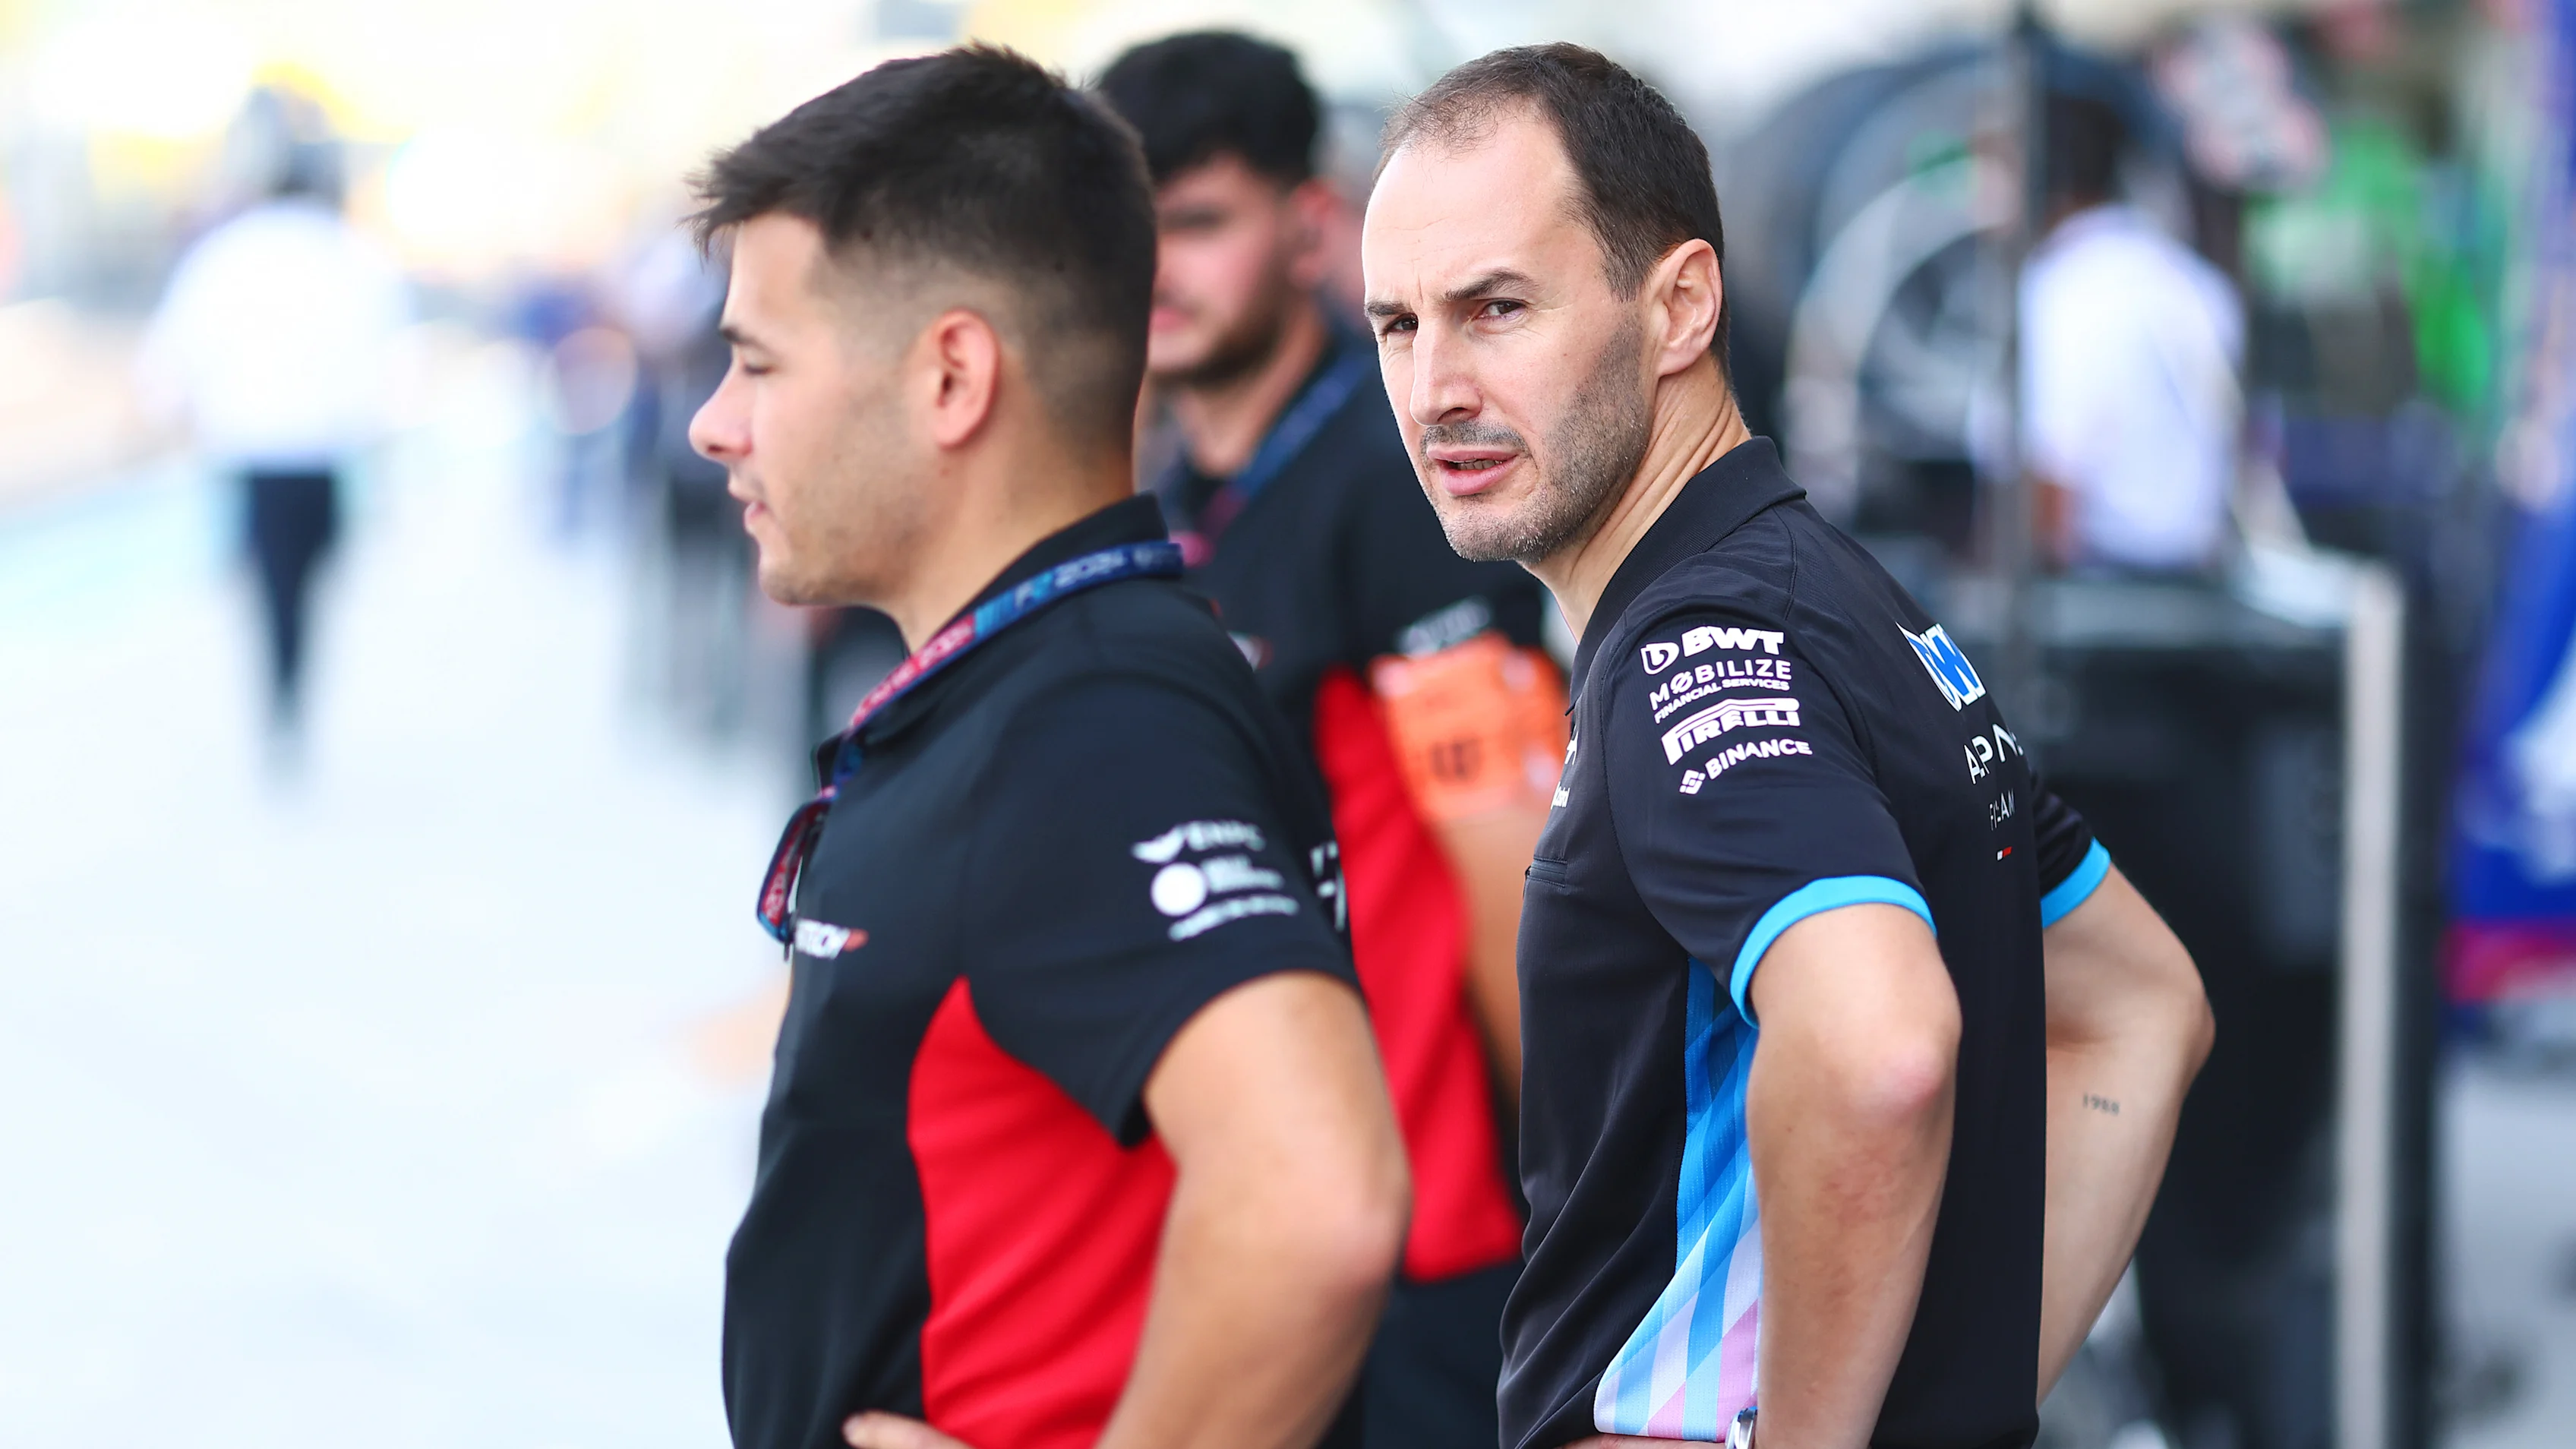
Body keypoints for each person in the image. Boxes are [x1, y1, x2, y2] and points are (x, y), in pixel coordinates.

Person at [1359, 45, 2215, 1449]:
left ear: (1681, 303)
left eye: (1495, 308)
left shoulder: (1692, 644)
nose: (1434, 385)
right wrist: (1951, 1401)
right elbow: (2141, 1001)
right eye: (1396, 326)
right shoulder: (1829, 590)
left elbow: (1879, 1043)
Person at [687, 45, 1410, 1449]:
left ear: (952, 375)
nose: (716, 424)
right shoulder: (1046, 683)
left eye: (757, 361)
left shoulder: (1092, 720)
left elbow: (1317, 1195)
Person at [1097, 33, 1560, 1449]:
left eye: (1199, 224)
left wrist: (1580, 1188)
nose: (1159, 271)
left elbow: (1510, 856)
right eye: (1133, 231)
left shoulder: (1393, 479)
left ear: (1310, 230)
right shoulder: (1178, 482)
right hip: (1272, 1198)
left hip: (1436, 1228)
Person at [139, 109, 407, 752]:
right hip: (321, 453)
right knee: (305, 585)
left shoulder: (227, 253)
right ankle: (291, 689)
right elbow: (395, 364)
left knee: (274, 588)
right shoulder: (353, 255)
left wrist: (168, 414)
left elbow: (173, 354)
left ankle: (282, 692)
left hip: (251, 450)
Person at [2022, 92, 2245, 575]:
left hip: (2100, 586)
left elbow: (2055, 477)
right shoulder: (2194, 280)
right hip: (2199, 579)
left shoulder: (2065, 285)